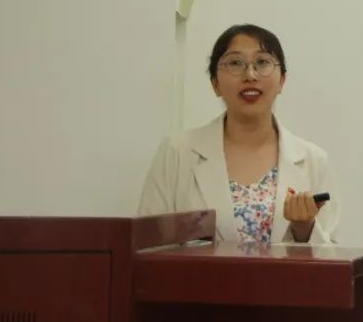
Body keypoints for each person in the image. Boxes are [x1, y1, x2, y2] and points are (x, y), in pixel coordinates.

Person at [139, 24, 338, 244]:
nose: (250, 75)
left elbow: (332, 256)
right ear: (215, 83)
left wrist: (304, 229)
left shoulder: (313, 161)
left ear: (282, 80)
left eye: (262, 62)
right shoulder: (177, 153)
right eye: (235, 63)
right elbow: (147, 246)